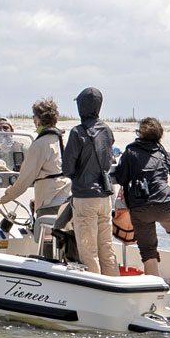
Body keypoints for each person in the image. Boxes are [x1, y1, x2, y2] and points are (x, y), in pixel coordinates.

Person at [112, 117, 170, 279]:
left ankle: (155, 288)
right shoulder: (164, 154)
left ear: (140, 133)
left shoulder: (130, 152)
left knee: (148, 251)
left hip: (140, 207)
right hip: (165, 204)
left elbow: (122, 178)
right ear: (160, 135)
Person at [63, 87, 118, 276]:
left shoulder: (77, 132)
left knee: (88, 251)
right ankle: (113, 285)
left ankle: (97, 291)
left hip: (85, 197)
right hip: (104, 197)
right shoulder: (107, 131)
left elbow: (67, 168)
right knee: (106, 248)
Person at [0, 98, 72, 218]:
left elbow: (24, 180)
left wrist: (3, 199)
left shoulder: (39, 145)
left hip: (49, 202)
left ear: (38, 120)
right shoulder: (63, 139)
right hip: (68, 197)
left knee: (43, 234)